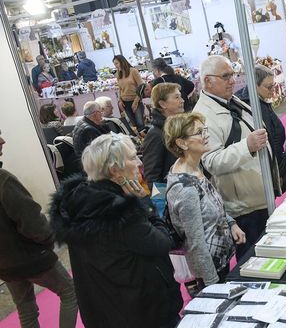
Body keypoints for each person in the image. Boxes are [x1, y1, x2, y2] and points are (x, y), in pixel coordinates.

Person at [49, 134, 182, 327]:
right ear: (114, 170)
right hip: (144, 311)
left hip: (107, 308)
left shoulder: (78, 202)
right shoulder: (119, 211)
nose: (139, 162)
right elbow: (163, 242)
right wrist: (145, 203)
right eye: (132, 157)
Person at [193, 55, 273, 258]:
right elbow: (211, 162)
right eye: (226, 76)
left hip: (257, 196)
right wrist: (247, 146)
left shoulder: (230, 100)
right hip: (243, 206)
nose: (233, 80)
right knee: (255, 261)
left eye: (233, 74)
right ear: (208, 81)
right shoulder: (203, 115)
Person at [0, 130, 78, 328]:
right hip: (31, 258)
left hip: (6, 264)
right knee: (70, 292)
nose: (3, 140)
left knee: (25, 309)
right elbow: (32, 223)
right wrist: (49, 238)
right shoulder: (4, 181)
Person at [164, 113, 246, 287]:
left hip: (219, 260)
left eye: (204, 130)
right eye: (199, 132)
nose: (206, 135)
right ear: (182, 143)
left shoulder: (194, 167)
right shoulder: (185, 189)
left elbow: (212, 203)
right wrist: (211, 283)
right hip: (210, 271)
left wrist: (230, 223)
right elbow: (196, 243)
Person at [235, 65, 286, 193]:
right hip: (267, 165)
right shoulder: (254, 106)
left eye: (273, 85)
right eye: (269, 87)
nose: (272, 90)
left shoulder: (256, 101)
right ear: (254, 85)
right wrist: (275, 172)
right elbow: (270, 140)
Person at [142, 83, 184, 191]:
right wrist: (163, 203)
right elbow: (152, 176)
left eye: (180, 96)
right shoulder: (156, 135)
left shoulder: (177, 128)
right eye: (176, 97)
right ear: (162, 104)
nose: (182, 100)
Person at [113, 55, 145, 132]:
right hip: (124, 102)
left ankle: (146, 140)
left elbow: (141, 86)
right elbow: (120, 88)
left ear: (122, 62)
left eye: (116, 63)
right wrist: (120, 100)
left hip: (135, 100)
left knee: (140, 123)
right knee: (133, 124)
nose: (115, 66)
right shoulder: (118, 74)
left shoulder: (133, 71)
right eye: (114, 64)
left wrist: (136, 101)